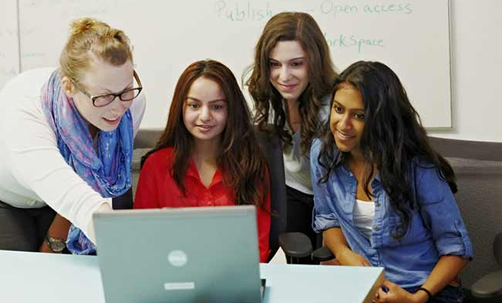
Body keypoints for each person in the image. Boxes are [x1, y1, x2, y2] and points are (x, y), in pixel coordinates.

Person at [0, 18, 146, 255]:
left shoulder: (132, 103)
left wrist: (54, 241)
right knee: (18, 273)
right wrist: (124, 247)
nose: (118, 108)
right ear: (69, 87)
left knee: (74, 268)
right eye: (104, 96)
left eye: (125, 91)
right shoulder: (25, 115)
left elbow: (90, 182)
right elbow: (70, 194)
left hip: (55, 194)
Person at [311, 61, 472, 303]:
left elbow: (456, 250)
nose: (343, 125)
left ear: (380, 120)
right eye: (338, 109)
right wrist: (343, 253)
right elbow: (327, 218)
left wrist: (417, 298)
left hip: (423, 291)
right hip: (364, 290)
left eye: (359, 116)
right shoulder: (323, 155)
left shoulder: (418, 168)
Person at [134, 59, 271, 262]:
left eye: (216, 107)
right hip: (172, 279)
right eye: (194, 105)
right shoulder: (156, 165)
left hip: (231, 281)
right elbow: (142, 241)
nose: (205, 116)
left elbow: (257, 248)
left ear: (231, 110)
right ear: (181, 108)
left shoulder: (250, 165)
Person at [245, 11, 338, 261]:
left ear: (315, 62)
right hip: (291, 189)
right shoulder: (268, 94)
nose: (284, 76)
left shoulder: (337, 107)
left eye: (296, 64)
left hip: (334, 196)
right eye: (275, 64)